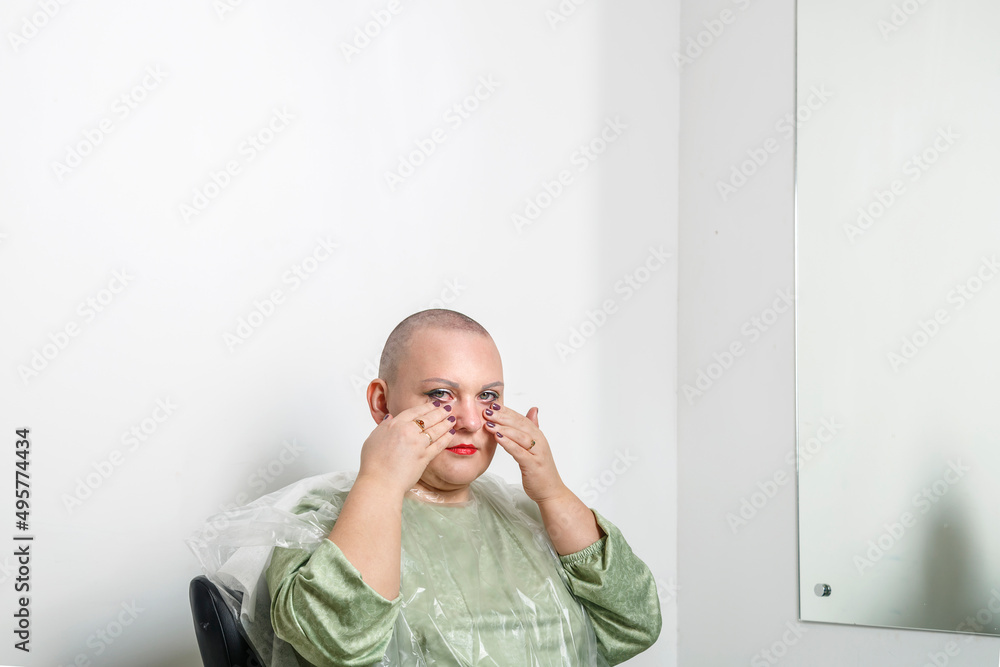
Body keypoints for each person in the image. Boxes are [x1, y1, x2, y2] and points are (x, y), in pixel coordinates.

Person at [231, 309, 659, 666]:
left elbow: (634, 624)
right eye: (441, 394)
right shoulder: (318, 519)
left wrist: (552, 492)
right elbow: (341, 643)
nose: (471, 421)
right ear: (382, 403)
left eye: (488, 396)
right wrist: (380, 482)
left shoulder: (531, 519)